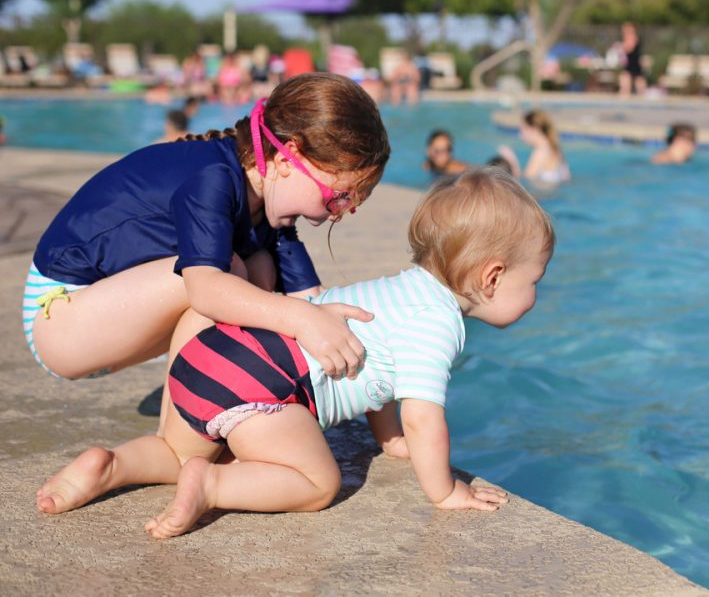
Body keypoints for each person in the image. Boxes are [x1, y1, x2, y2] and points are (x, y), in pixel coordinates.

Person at [36, 168, 556, 539]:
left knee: (175, 451)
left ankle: (109, 467)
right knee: (318, 482)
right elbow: (424, 417)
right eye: (535, 280)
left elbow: (382, 376)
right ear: (491, 276)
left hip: (209, 357)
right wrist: (445, 493)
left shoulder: (402, 290)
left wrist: (387, 438)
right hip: (263, 384)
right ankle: (213, 484)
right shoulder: (438, 325)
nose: (537, 293)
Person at [23, 73, 390, 419]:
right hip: (58, 318)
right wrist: (302, 318)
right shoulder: (213, 178)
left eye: (353, 202)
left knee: (260, 267)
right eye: (339, 196)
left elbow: (311, 300)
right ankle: (177, 440)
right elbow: (209, 290)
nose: (342, 212)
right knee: (224, 275)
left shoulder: (273, 216)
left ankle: (199, 416)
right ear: (286, 159)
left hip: (108, 318)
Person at [502, 110, 569, 187]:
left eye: (523, 129)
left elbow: (524, 181)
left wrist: (511, 159)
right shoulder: (556, 148)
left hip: (542, 196)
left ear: (534, 129)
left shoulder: (540, 152)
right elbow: (566, 178)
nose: (520, 135)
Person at [617, 22, 647, 97]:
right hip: (630, 64)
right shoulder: (629, 37)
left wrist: (620, 46)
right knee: (626, 84)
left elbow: (629, 48)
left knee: (637, 86)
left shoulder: (632, 37)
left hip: (634, 63)